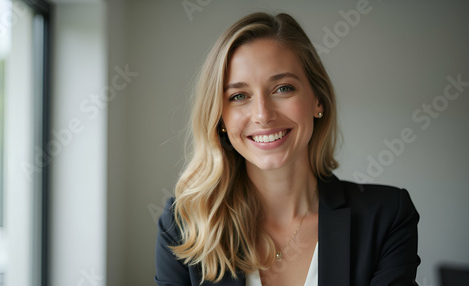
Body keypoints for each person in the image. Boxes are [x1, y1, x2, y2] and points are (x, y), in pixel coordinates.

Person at [155, 12, 420, 286]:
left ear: (318, 100)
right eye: (239, 96)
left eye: (282, 88)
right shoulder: (184, 224)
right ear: (220, 118)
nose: (262, 114)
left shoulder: (387, 216)